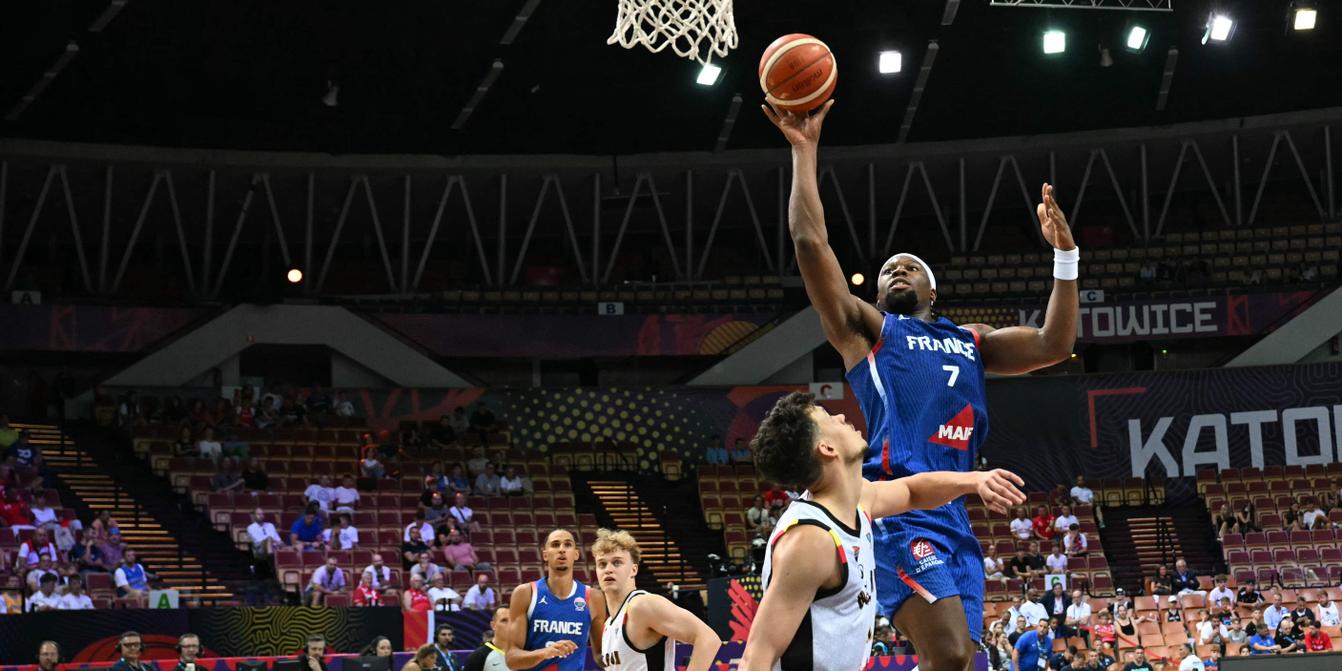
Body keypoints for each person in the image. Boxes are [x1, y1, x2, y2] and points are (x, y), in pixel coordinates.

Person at [761, 99, 1078, 669]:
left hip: (952, 506)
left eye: (910, 266)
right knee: (952, 653)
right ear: (878, 295)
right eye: (887, 271)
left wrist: (1066, 257)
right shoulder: (871, 335)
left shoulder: (971, 340)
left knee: (958, 659)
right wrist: (803, 151)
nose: (896, 270)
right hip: (896, 503)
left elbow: (1054, 344)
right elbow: (811, 246)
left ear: (934, 291)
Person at [738, 393, 1027, 671]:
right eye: (829, 417)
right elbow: (756, 658)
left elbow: (912, 491)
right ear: (827, 449)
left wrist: (975, 480)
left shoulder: (857, 500)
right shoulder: (811, 541)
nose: (840, 416)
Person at [592, 528, 721, 671]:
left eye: (617, 563)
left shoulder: (642, 605)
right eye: (602, 564)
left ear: (633, 570)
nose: (608, 569)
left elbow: (708, 639)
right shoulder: (608, 625)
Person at [502, 529, 609, 671]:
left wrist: (626, 654)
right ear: (545, 555)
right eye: (555, 544)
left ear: (576, 554)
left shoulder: (593, 597)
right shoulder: (526, 593)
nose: (562, 550)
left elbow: (600, 655)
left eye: (567, 544)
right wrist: (545, 653)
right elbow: (511, 659)